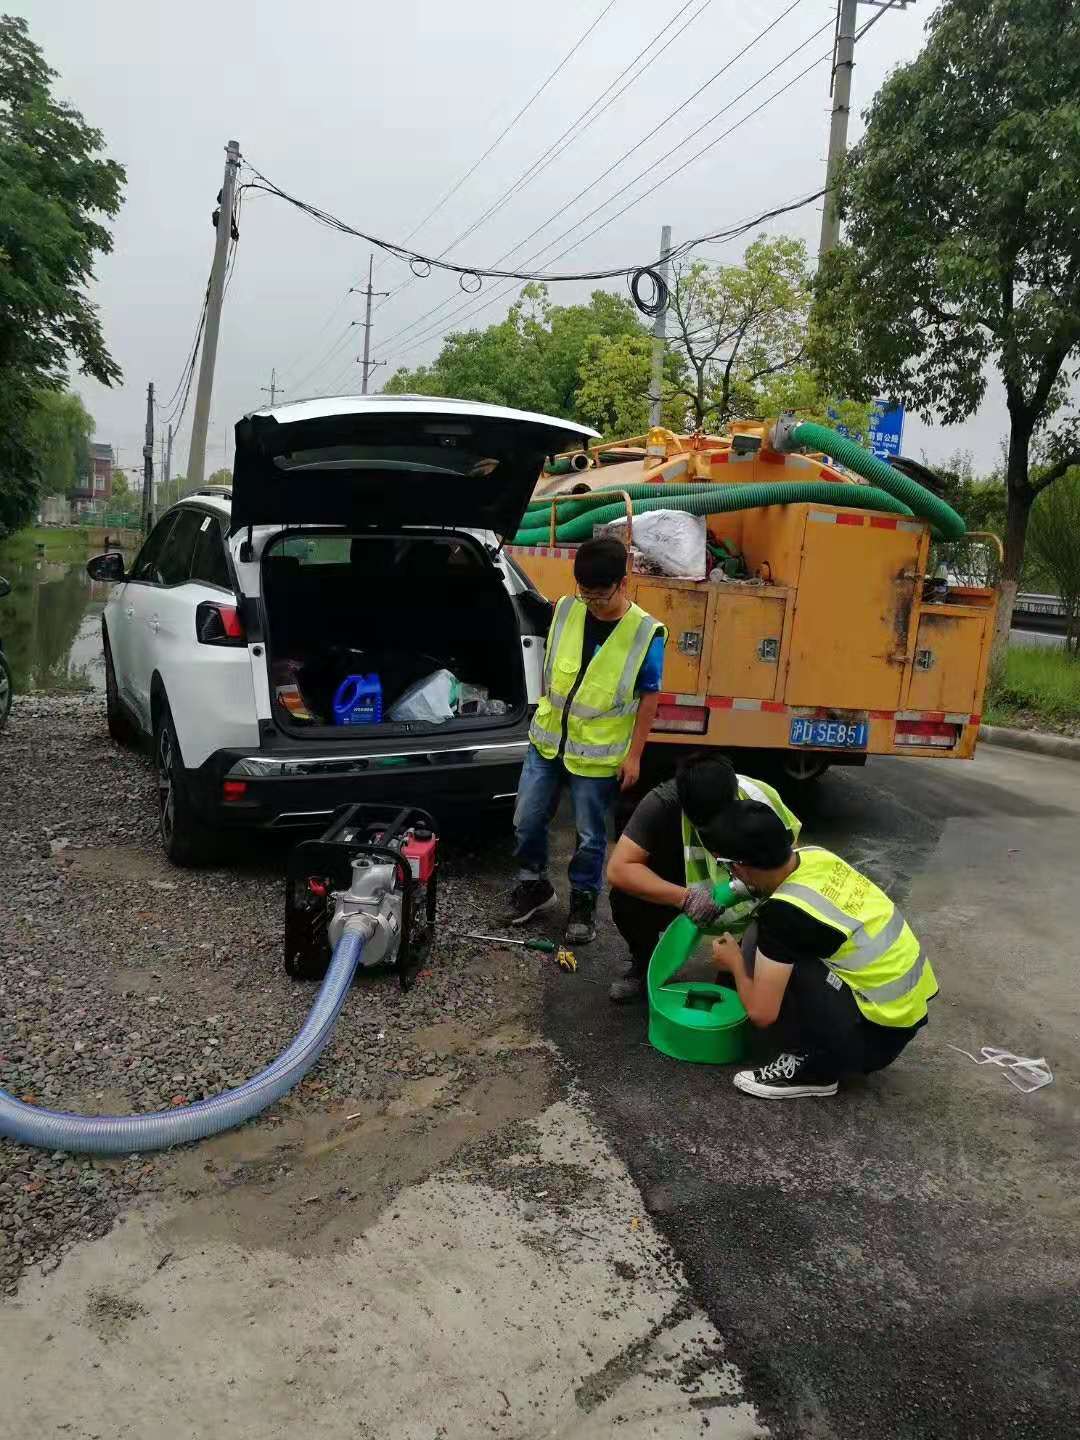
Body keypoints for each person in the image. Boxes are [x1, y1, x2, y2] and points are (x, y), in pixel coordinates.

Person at [707, 801, 938, 1099]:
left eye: (729, 869)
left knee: (766, 947)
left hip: (870, 1041)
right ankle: (827, 1045)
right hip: (900, 1018)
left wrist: (735, 963)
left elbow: (761, 1014)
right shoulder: (815, 855)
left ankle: (816, 1071)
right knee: (764, 940)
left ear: (739, 866)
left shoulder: (783, 916)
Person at [509, 537, 666, 945]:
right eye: (586, 592)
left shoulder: (645, 634)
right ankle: (534, 884)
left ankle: (583, 900)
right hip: (547, 743)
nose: (592, 601)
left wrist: (635, 756)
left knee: (591, 837)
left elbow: (650, 698)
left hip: (597, 757)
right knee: (526, 820)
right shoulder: (566, 610)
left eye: (601, 593)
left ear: (622, 583)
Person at [605, 756, 802, 1003]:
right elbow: (619, 869)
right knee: (626, 898)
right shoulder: (663, 803)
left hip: (751, 892)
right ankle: (643, 965)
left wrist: (749, 889)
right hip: (686, 887)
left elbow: (787, 866)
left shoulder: (758, 798)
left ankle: (758, 965)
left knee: (741, 993)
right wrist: (685, 898)